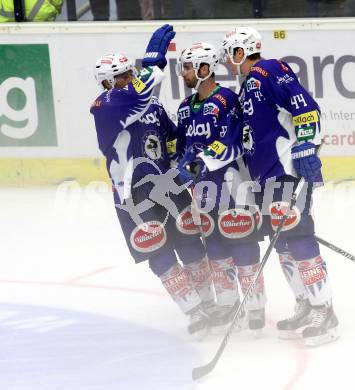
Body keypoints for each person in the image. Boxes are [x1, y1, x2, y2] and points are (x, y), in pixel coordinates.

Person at [90, 25, 215, 339]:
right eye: (121, 76)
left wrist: (189, 159)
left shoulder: (153, 106)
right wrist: (152, 65)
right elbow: (142, 89)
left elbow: (171, 140)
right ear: (106, 82)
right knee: (158, 251)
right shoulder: (105, 106)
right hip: (133, 194)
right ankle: (193, 309)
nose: (129, 79)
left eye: (130, 73)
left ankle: (212, 304)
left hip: (168, 185)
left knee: (189, 242)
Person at [220, 27, 339, 346]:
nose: (229, 63)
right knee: (283, 244)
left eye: (230, 54)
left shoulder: (269, 69)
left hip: (286, 171)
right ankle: (305, 302)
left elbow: (305, 105)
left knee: (298, 238)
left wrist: (306, 147)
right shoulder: (247, 88)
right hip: (266, 178)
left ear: (241, 51)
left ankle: (325, 311)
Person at [175, 42, 267, 334]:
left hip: (232, 185)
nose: (184, 73)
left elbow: (234, 141)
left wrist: (200, 161)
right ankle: (228, 305)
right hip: (202, 191)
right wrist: (182, 165)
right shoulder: (184, 108)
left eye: (188, 67)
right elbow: (181, 148)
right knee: (214, 245)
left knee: (241, 242)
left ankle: (255, 305)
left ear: (205, 69)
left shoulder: (228, 99)